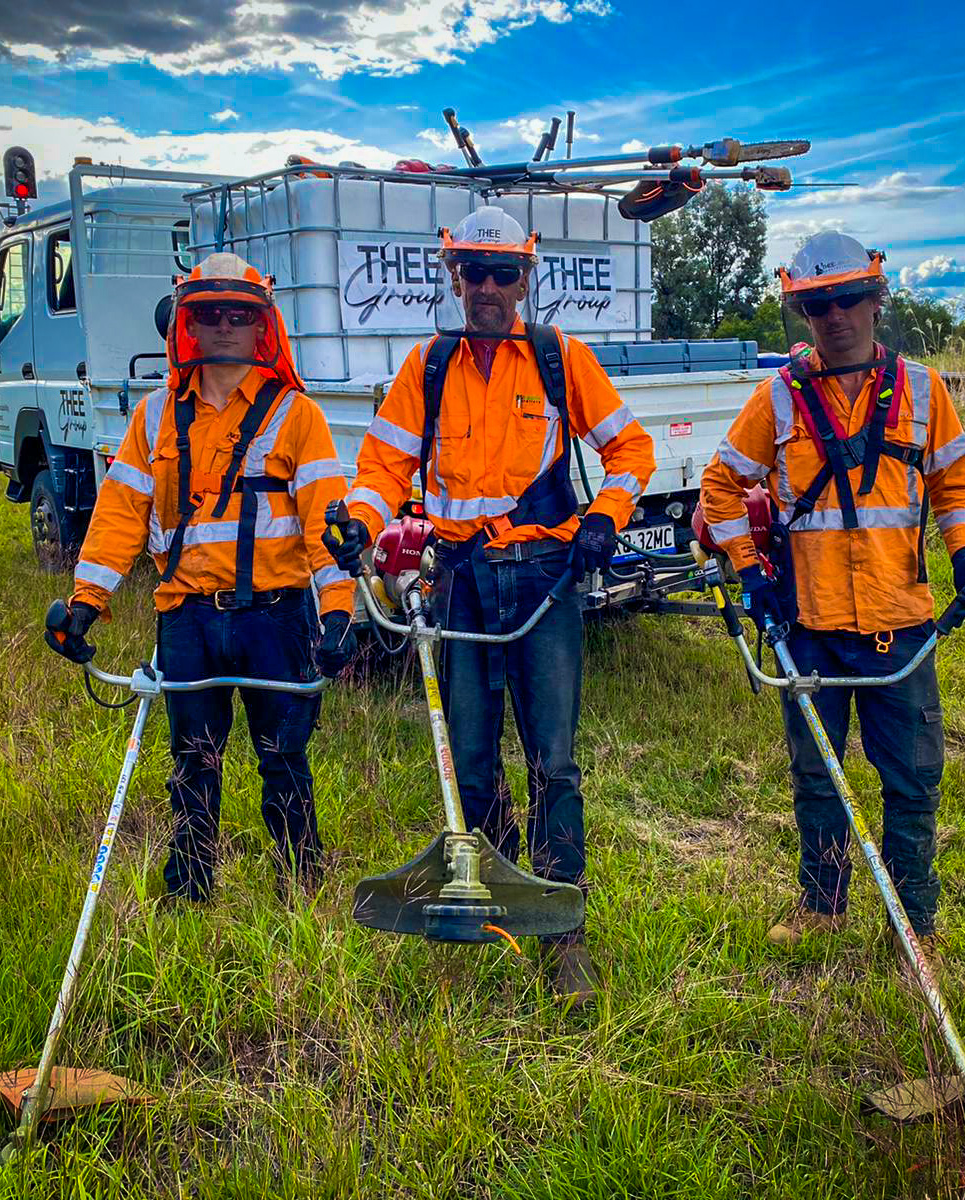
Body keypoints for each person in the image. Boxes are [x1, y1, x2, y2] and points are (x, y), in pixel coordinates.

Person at [326, 208, 655, 1004]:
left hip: (543, 575)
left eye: (503, 273)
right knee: (471, 764)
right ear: (454, 278)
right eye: (473, 272)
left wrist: (604, 517)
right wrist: (358, 520)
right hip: (463, 580)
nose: (488, 288)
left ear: (525, 277)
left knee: (554, 761)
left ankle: (566, 928)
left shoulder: (557, 358)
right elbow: (381, 465)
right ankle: (505, 900)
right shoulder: (428, 367)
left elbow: (632, 450)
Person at [699, 232, 965, 971]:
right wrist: (749, 568)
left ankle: (912, 922)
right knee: (817, 777)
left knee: (914, 781)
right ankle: (822, 907)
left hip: (901, 623)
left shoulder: (924, 390)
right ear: (802, 310)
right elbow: (722, 485)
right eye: (815, 304)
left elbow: (957, 480)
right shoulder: (779, 395)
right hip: (812, 626)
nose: (832, 316)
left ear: (875, 299)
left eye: (845, 299)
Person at [46, 252, 357, 903]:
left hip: (275, 616)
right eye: (209, 313)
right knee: (192, 764)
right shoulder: (154, 416)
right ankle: (189, 893)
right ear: (187, 323)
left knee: (283, 760)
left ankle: (302, 887)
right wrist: (85, 601)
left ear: (259, 326)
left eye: (237, 315)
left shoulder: (296, 416)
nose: (223, 327)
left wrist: (336, 612)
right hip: (186, 618)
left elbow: (323, 522)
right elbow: (120, 514)